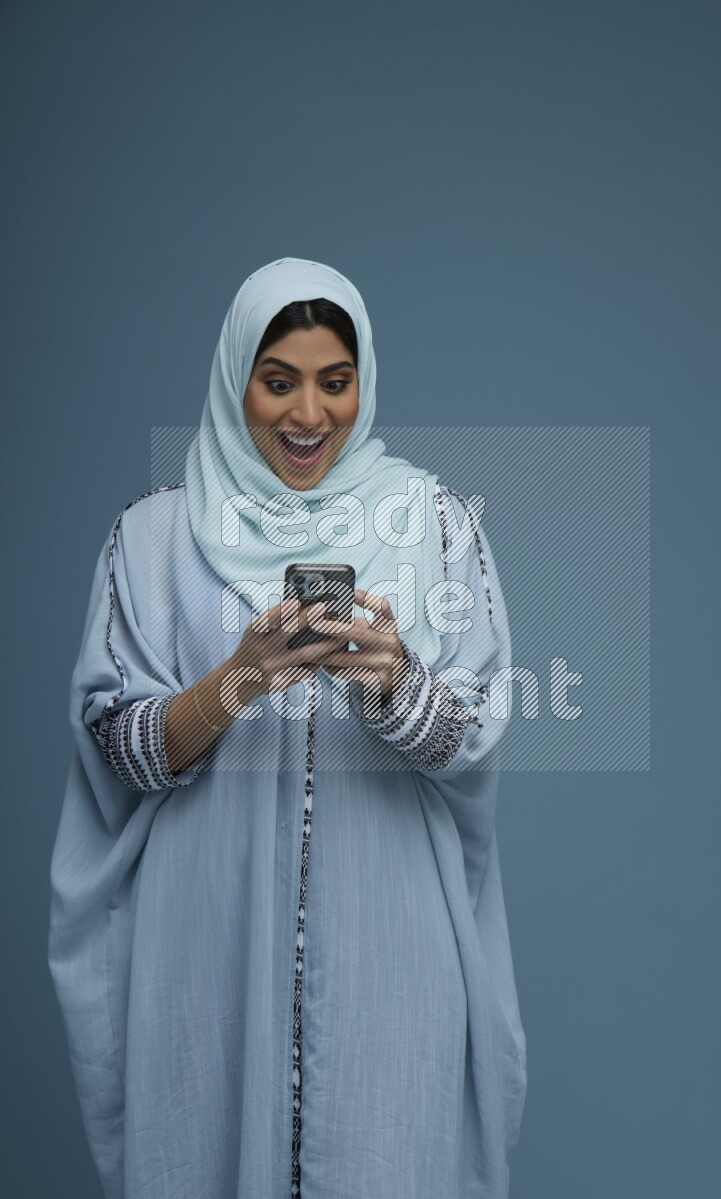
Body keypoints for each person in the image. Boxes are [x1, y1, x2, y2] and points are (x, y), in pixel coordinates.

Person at [48, 257, 527, 1199]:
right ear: (239, 382)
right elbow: (115, 749)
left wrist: (394, 683)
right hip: (208, 960)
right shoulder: (151, 539)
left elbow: (471, 739)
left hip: (393, 962)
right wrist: (238, 681)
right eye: (279, 382)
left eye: (335, 382)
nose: (308, 415)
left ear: (364, 384)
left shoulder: (435, 527)